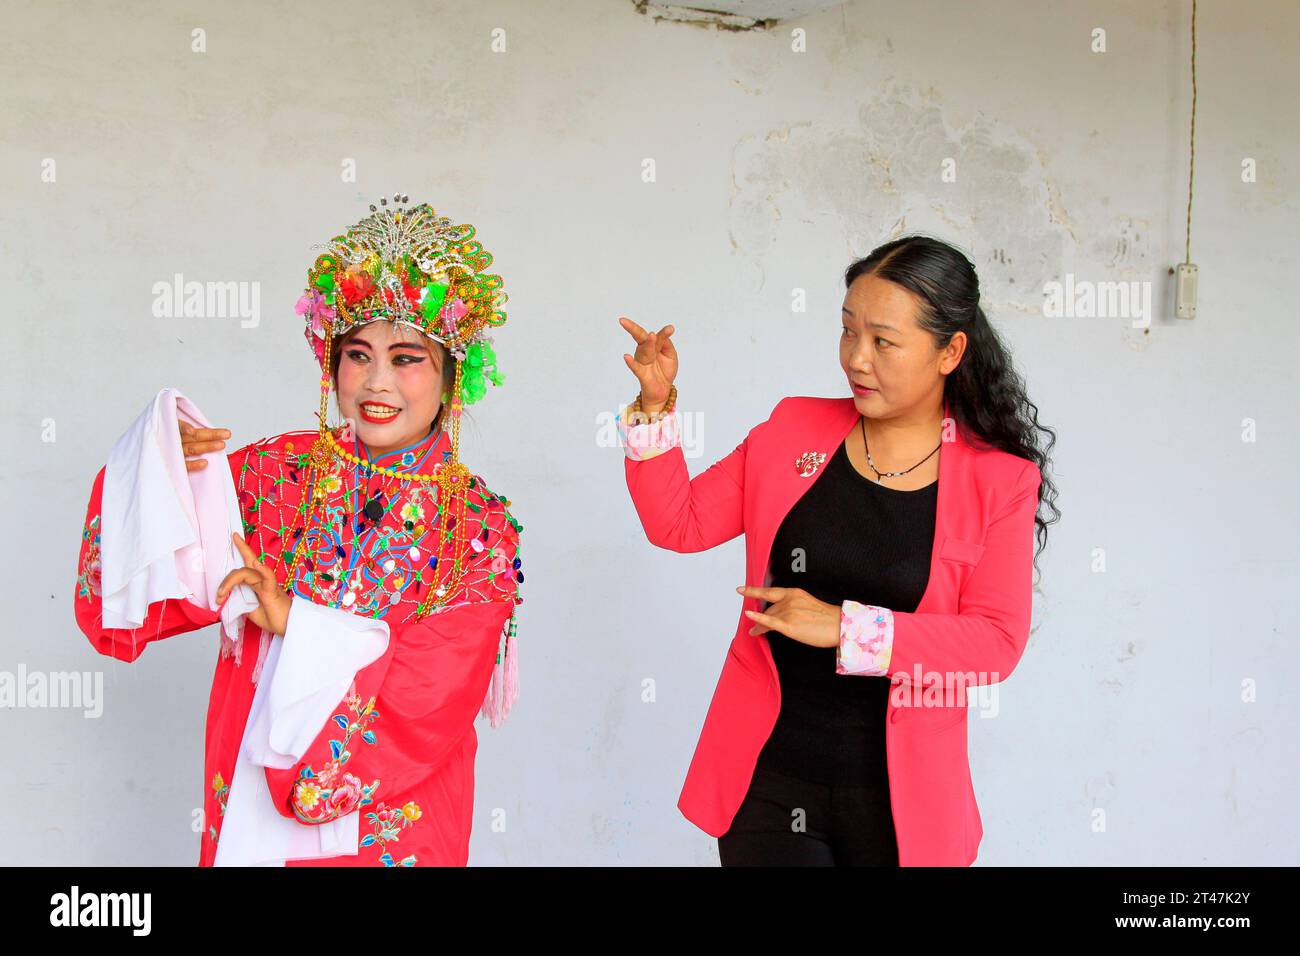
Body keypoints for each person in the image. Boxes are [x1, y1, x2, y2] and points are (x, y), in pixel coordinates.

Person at [74, 194, 524, 866]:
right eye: (356, 354)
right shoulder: (274, 474)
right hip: (252, 774)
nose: (376, 382)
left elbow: (432, 698)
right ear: (330, 363)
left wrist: (297, 625)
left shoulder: (478, 529)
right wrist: (168, 467)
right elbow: (164, 578)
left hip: (394, 816)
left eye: (406, 358)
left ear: (453, 376)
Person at [616, 235, 1059, 866]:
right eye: (847, 331)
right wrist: (654, 408)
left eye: (883, 340)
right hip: (769, 785)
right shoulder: (793, 428)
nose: (856, 358)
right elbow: (678, 524)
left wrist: (847, 628)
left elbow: (993, 645)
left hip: (902, 806)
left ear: (950, 351)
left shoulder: (1000, 481)